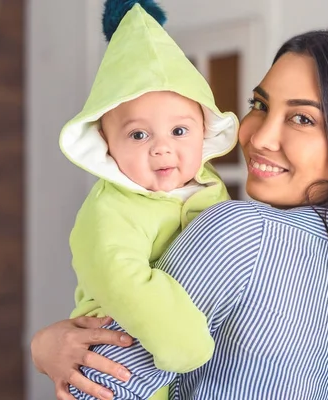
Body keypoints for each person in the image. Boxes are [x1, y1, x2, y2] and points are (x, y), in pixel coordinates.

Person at [32, 29, 328, 400]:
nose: (258, 136)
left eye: (302, 118)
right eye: (260, 105)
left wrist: (44, 348)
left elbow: (94, 387)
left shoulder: (240, 232)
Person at [58, 1, 237, 397]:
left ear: (204, 129)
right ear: (106, 143)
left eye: (179, 130)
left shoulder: (209, 188)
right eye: (139, 135)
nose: (162, 149)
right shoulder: (110, 211)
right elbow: (127, 282)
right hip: (119, 355)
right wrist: (183, 344)